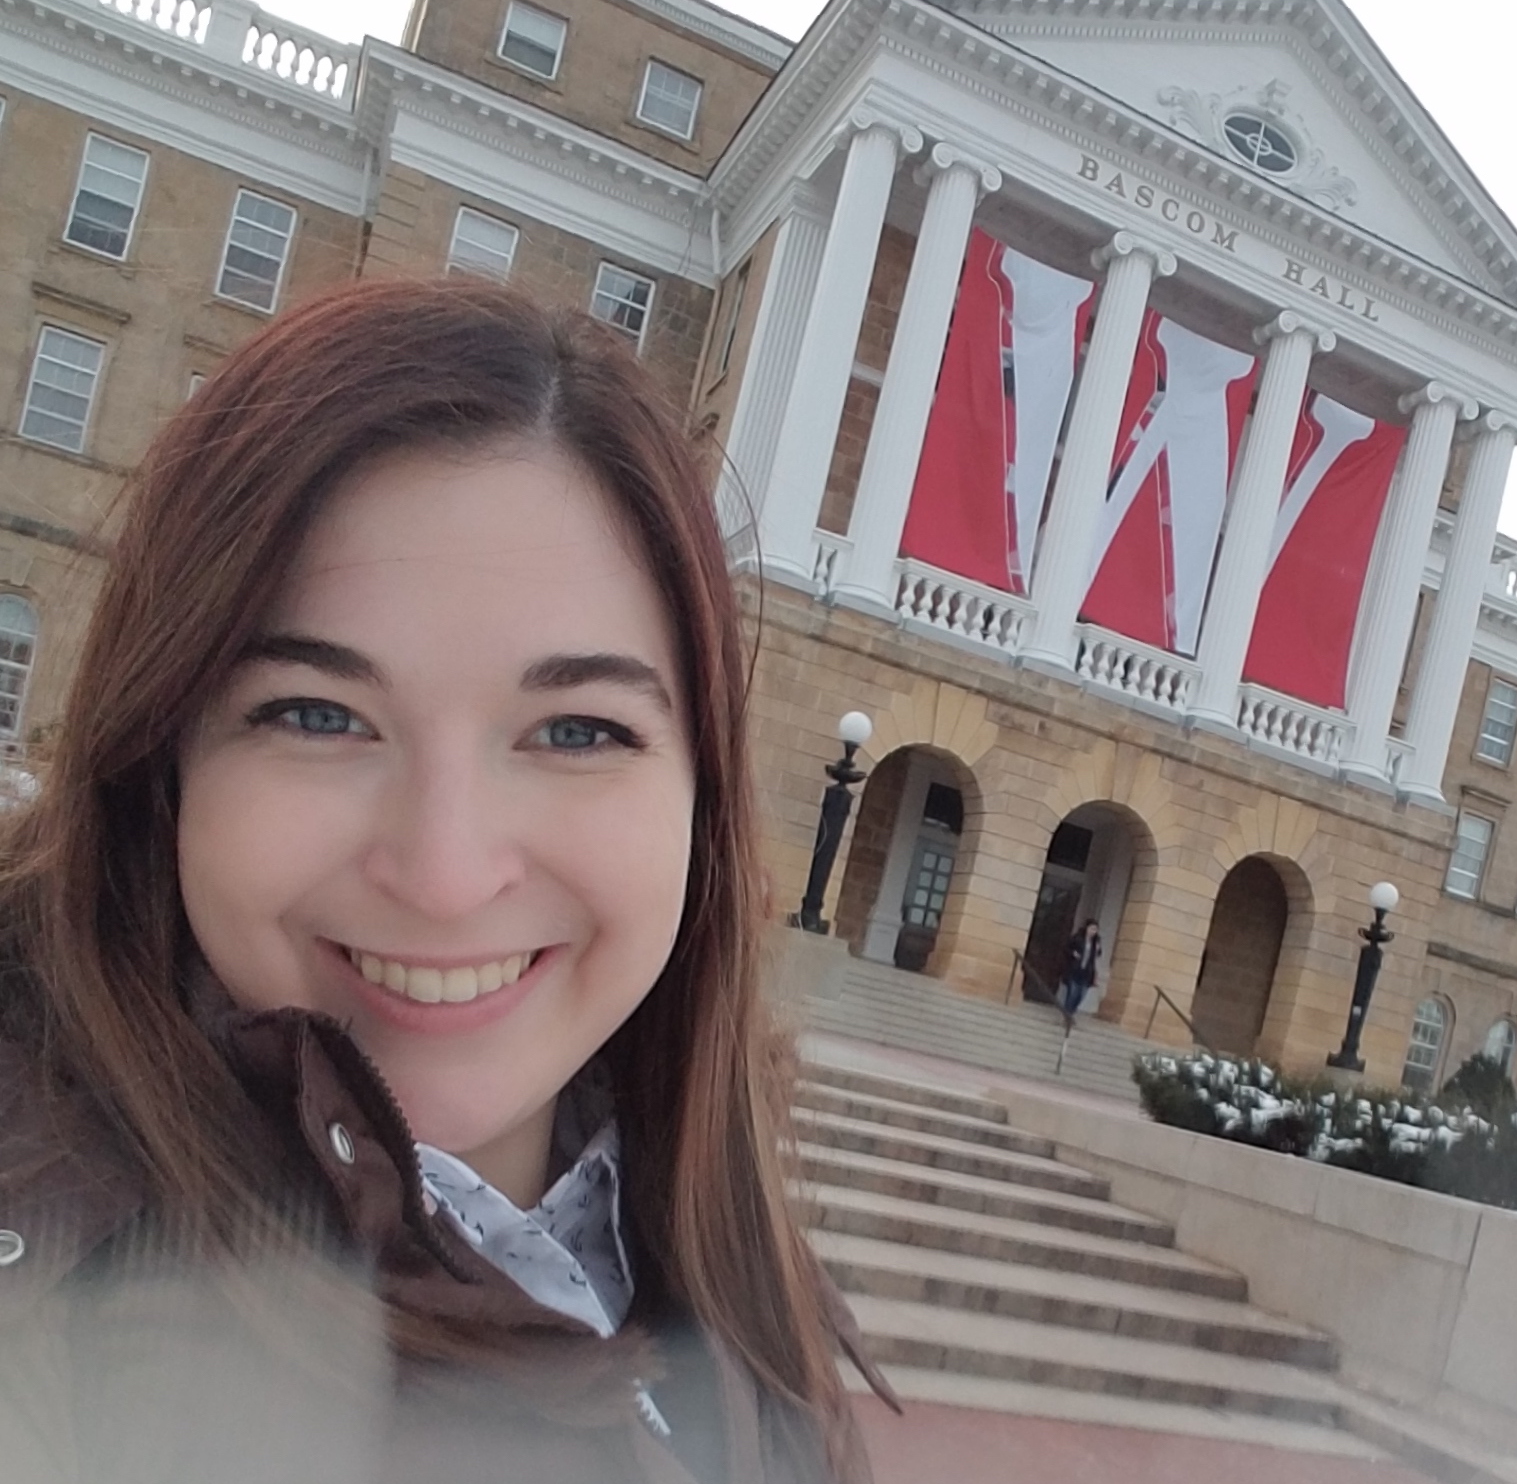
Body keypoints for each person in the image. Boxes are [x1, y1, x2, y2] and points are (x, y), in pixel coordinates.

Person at [0, 279, 885, 1483]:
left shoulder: (713, 1259)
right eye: (318, 714)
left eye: (576, 730)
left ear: (701, 800)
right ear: (163, 764)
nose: (446, 874)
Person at [1059, 919, 1104, 1018]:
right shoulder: (1078, 938)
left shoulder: (1096, 942)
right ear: (1086, 928)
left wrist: (1098, 948)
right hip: (1075, 969)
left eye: (1095, 929)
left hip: (1087, 972)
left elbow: (1098, 955)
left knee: (1081, 995)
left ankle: (1072, 1011)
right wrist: (1073, 954)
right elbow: (1067, 948)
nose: (1093, 931)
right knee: (1072, 993)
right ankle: (1067, 1014)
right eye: (1091, 928)